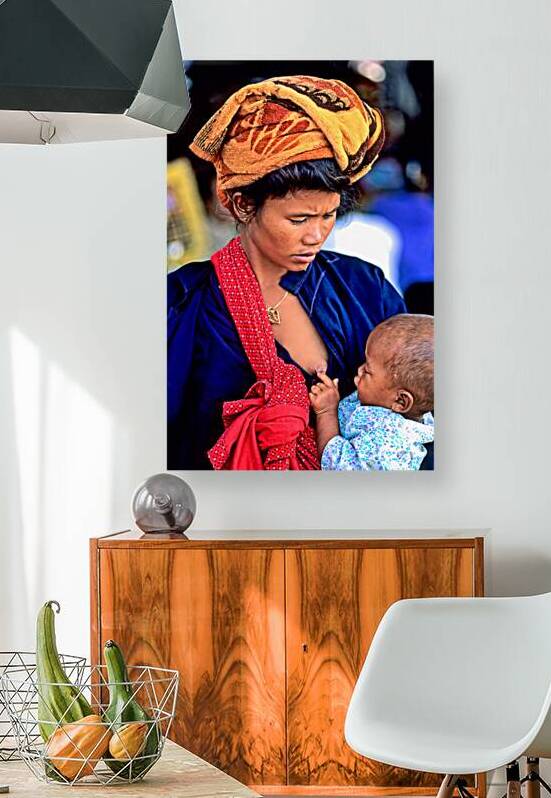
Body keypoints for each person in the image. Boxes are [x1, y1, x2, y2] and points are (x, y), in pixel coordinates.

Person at [168, 75, 407, 470]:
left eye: (328, 215)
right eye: (298, 219)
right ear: (242, 204)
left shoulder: (365, 289)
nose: (316, 235)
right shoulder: (181, 304)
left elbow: (417, 410)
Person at [309, 314, 434, 470]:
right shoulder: (386, 400)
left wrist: (326, 412)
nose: (359, 370)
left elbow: (336, 464)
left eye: (367, 370)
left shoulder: (386, 447)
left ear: (401, 401)